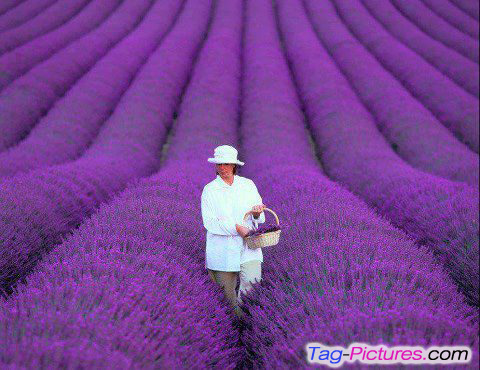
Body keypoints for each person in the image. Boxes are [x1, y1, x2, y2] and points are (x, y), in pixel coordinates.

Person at [201, 145, 266, 318]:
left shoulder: (247, 185)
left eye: (226, 164)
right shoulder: (210, 190)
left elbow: (260, 216)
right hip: (222, 250)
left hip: (249, 247)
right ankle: (232, 331)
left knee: (252, 287)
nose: (222, 168)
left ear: (234, 165)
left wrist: (258, 213)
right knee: (226, 299)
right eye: (219, 164)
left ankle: (247, 326)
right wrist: (237, 228)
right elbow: (210, 222)